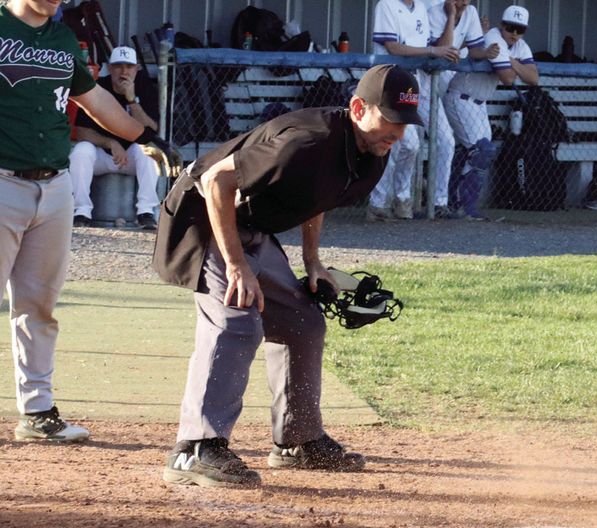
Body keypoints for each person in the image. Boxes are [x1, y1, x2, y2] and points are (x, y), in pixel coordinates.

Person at [153, 65, 423, 487]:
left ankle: (297, 441)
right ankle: (195, 448)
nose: (398, 132)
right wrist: (237, 264)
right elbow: (215, 181)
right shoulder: (305, 141)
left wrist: (312, 261)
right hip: (204, 216)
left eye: (405, 122)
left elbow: (318, 195)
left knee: (303, 321)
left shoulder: (373, 152)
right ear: (358, 108)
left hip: (252, 227)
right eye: (390, 118)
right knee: (236, 318)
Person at [1, 0, 168, 442]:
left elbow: (95, 101)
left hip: (54, 187)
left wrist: (150, 140)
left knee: (38, 305)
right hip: (2, 181)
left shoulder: (61, 40)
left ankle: (37, 411)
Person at [443, 5, 538, 220]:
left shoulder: (520, 46)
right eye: (510, 28)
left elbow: (534, 79)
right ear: (502, 25)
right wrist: (516, 67)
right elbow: (507, 78)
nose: (514, 34)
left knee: (473, 152)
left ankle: (454, 203)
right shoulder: (494, 37)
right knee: (481, 150)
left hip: (479, 104)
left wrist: (512, 62)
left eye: (519, 29)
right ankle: (461, 206)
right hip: (461, 97)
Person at [368, 0, 459, 221]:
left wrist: (451, 17)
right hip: (389, 81)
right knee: (406, 143)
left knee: (414, 145)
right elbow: (393, 47)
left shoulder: (419, 7)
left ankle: (400, 198)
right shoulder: (386, 5)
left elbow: (436, 47)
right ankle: (379, 202)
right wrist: (432, 50)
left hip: (416, 83)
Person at [69, 45, 161, 229]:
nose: (123, 71)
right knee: (80, 151)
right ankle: (81, 212)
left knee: (149, 153)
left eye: (128, 66)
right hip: (102, 155)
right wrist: (110, 143)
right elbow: (81, 132)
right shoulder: (98, 87)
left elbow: (152, 130)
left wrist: (131, 100)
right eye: (118, 66)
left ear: (137, 69)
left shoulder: (144, 86)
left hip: (132, 156)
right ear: (109, 68)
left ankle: (146, 212)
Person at [428, 0, 499, 218]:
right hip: (427, 82)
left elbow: (475, 49)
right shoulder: (435, 11)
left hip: (450, 84)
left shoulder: (470, 12)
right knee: (436, 142)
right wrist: (451, 17)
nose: (463, 3)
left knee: (454, 144)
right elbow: (444, 49)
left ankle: (446, 202)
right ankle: (435, 203)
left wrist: (485, 53)